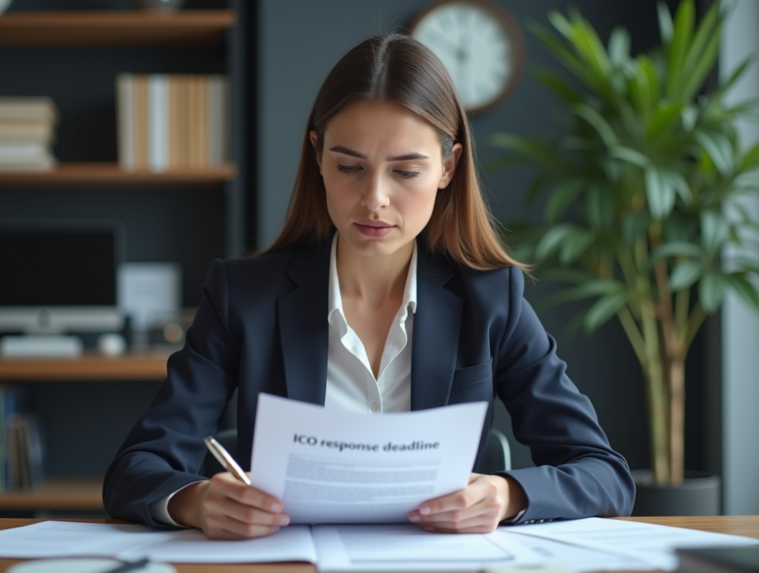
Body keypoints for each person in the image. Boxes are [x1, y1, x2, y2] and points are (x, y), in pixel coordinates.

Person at [103, 33, 635, 539]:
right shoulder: (242, 297)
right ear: (318, 157)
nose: (374, 198)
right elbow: (135, 468)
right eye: (349, 167)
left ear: (448, 167)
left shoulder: (492, 299)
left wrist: (507, 494)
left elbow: (604, 473)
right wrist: (195, 501)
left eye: (405, 172)